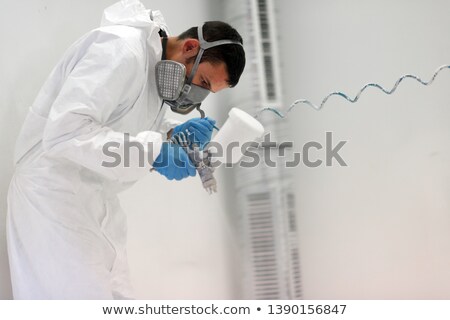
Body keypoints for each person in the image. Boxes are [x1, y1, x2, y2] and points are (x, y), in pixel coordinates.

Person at [6, 0, 245, 299]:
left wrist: (168, 132)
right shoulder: (121, 49)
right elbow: (66, 130)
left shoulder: (153, 65)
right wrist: (154, 153)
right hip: (53, 198)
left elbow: (118, 121)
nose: (196, 95)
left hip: (94, 203)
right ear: (190, 48)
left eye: (206, 91)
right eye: (203, 81)